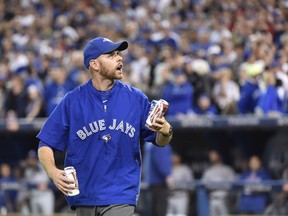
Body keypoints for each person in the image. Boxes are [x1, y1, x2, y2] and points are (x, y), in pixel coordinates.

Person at [36, 37, 173, 216]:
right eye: (111, 55)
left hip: (120, 196)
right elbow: (45, 143)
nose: (119, 58)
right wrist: (53, 172)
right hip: (83, 197)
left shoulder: (136, 98)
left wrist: (165, 130)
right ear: (94, 64)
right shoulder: (72, 101)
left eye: (118, 54)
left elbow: (160, 141)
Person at [201, 150, 237, 216]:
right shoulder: (208, 171)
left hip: (224, 198)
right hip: (212, 198)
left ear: (218, 156)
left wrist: (215, 185)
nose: (212, 157)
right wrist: (220, 184)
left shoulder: (227, 169)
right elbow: (204, 184)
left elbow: (232, 183)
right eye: (211, 156)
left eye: (214, 155)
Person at [142, 141, 173, 216]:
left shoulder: (148, 143)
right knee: (160, 211)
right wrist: (167, 174)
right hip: (159, 182)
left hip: (149, 182)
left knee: (152, 210)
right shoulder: (160, 142)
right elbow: (162, 161)